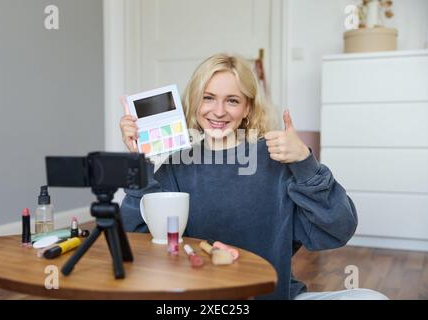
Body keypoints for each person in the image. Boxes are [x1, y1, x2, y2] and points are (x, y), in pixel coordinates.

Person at [119, 53, 388, 300]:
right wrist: (138, 162)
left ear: (247, 108)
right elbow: (139, 239)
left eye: (232, 100)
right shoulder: (177, 163)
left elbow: (339, 230)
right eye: (208, 97)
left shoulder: (276, 159)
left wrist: (305, 162)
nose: (219, 111)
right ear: (194, 101)